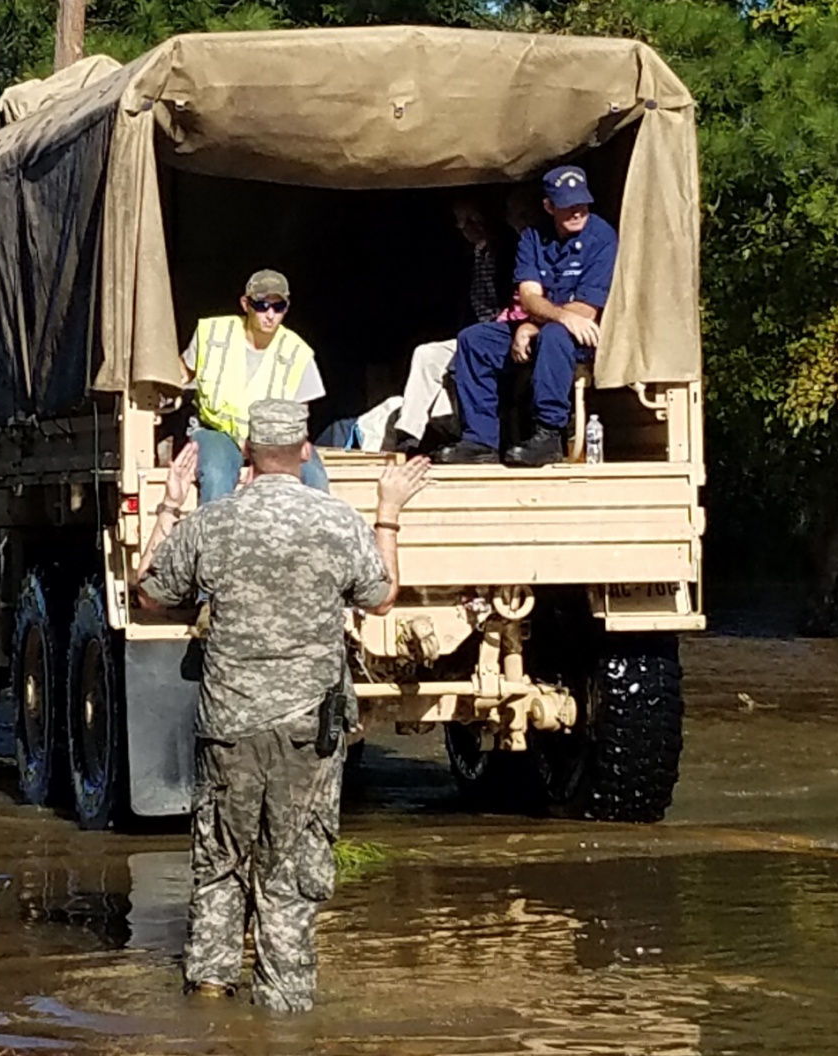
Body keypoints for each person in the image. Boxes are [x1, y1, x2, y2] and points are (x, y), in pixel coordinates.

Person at [136, 399, 430, 1012]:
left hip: (229, 727)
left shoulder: (214, 523)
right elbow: (381, 598)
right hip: (306, 731)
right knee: (291, 875)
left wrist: (168, 503)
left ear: (245, 451)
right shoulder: (336, 522)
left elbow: (151, 591)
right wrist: (389, 512)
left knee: (220, 863)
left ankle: (211, 1001)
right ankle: (283, 1023)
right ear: (305, 451)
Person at [437, 165, 618, 468]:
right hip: (544, 324)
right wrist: (533, 322)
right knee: (474, 339)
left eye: (582, 204)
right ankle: (480, 440)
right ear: (549, 206)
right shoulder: (534, 237)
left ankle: (548, 434)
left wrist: (533, 326)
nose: (577, 212)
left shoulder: (601, 237)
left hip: (579, 337)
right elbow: (530, 296)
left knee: (555, 335)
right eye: (568, 205)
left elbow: (586, 310)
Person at [182, 268, 328, 503]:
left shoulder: (297, 352)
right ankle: (215, 537)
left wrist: (268, 458)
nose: (270, 314)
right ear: (245, 304)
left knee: (316, 477)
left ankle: (315, 536)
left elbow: (301, 416)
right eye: (261, 305)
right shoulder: (213, 333)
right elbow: (179, 374)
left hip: (277, 440)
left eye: (278, 307)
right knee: (217, 475)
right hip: (217, 432)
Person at [393, 196, 521, 458]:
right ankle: (409, 435)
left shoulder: (511, 250)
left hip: (506, 334)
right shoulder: (468, 256)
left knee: (461, 361)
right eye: (460, 222)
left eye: (472, 219)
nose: (466, 228)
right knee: (426, 354)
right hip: (471, 336)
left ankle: (456, 434)